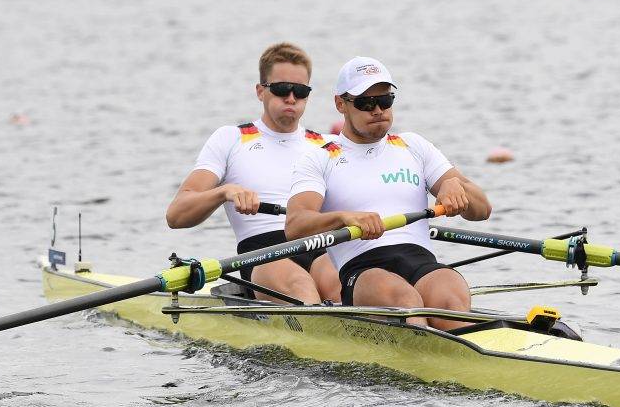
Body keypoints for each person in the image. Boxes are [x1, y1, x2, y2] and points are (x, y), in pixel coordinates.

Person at [285, 56, 491, 330]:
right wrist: (345, 218)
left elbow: (483, 210)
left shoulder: (413, 146)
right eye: (366, 103)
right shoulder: (320, 159)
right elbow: (295, 224)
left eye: (385, 100)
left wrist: (458, 188)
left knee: (451, 294)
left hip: (418, 260)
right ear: (340, 104)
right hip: (362, 268)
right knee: (404, 301)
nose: (378, 110)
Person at [166, 42, 341, 304]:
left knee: (342, 285)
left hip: (320, 245)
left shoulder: (327, 145)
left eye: (301, 91)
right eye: (282, 89)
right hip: (263, 253)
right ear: (260, 91)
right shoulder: (231, 139)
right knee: (300, 286)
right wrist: (224, 192)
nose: (291, 98)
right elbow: (176, 215)